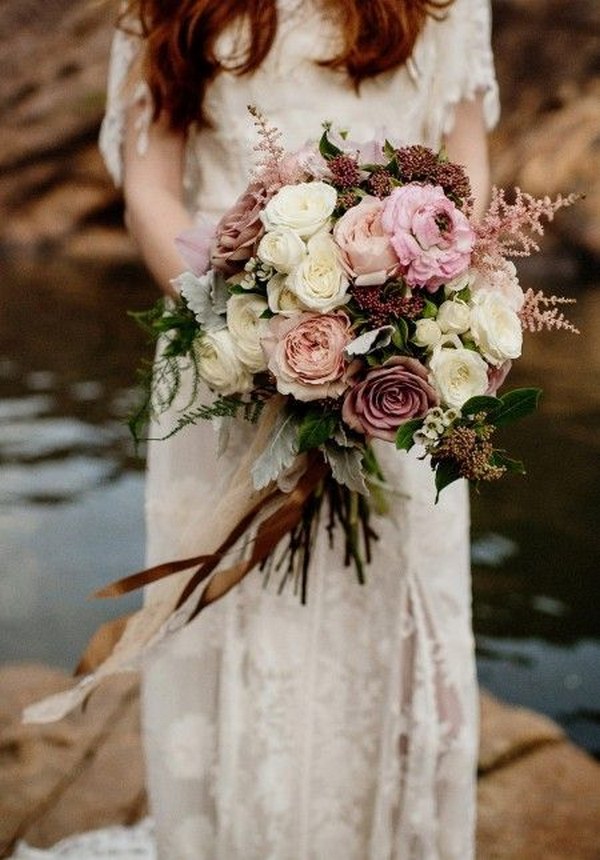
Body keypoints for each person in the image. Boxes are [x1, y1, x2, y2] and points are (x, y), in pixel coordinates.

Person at [14, 0, 499, 857]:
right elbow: (152, 188)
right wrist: (252, 327)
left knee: (387, 628)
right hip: (222, 369)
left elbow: (469, 169)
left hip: (401, 381)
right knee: (235, 622)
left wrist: (426, 306)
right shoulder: (159, 8)